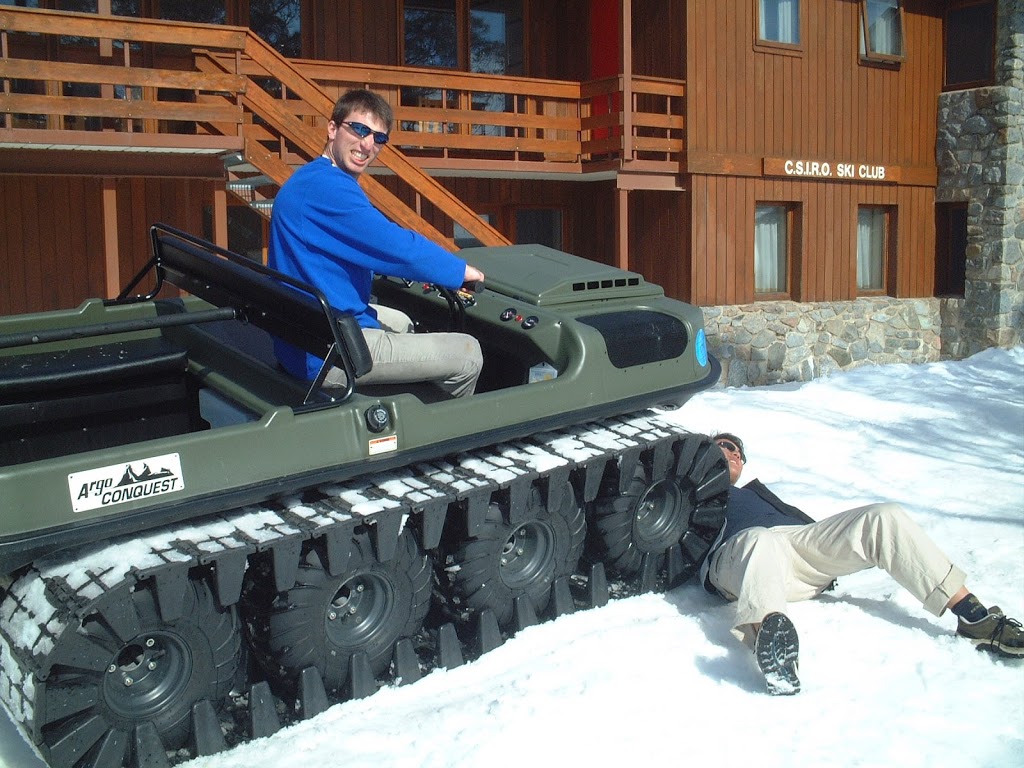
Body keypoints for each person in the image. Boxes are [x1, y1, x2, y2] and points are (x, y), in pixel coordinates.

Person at [700, 432, 1023, 696]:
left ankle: (974, 618)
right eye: (723, 447)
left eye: (738, 451)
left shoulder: (755, 494)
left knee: (884, 515)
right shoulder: (685, 494)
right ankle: (774, 644)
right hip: (741, 561)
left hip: (801, 548)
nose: (733, 453)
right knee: (760, 539)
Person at [268, 88, 484, 397]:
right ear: (332, 129)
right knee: (468, 353)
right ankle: (437, 436)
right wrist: (460, 271)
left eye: (378, 138)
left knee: (404, 321)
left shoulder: (310, 179)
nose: (367, 144)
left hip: (305, 335)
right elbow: (395, 247)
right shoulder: (327, 189)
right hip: (329, 354)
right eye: (359, 129)